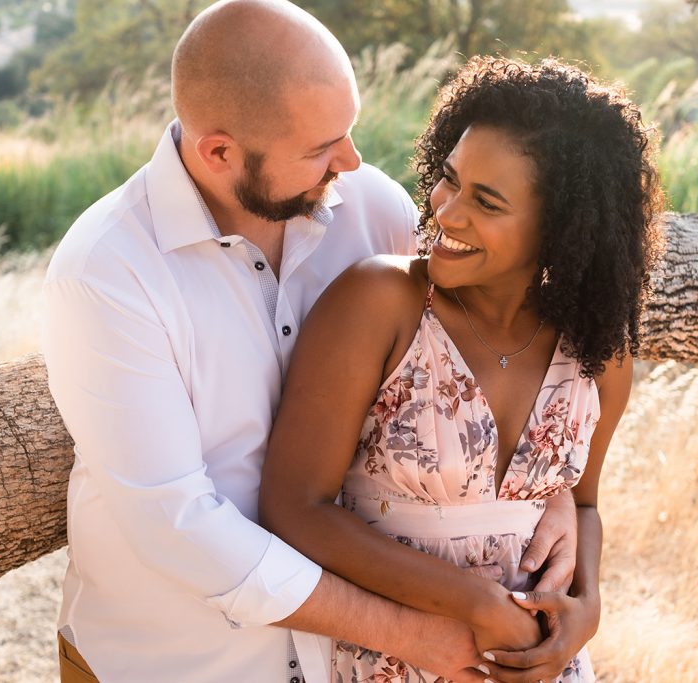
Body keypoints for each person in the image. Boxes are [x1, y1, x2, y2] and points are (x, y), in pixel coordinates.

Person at [42, 2, 584, 681]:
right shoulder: (108, 272)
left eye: (349, 131)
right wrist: (413, 633)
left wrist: (548, 491)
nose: (352, 160)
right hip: (181, 662)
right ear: (219, 152)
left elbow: (475, 348)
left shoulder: (374, 208)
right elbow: (179, 527)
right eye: (320, 147)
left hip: (345, 666)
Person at [260, 56, 665, 683]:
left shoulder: (596, 352)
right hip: (393, 658)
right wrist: (474, 602)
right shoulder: (382, 303)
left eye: (487, 201)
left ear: (558, 231)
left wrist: (586, 609)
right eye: (448, 179)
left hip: (541, 665)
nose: (445, 213)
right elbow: (294, 506)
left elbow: (582, 504)